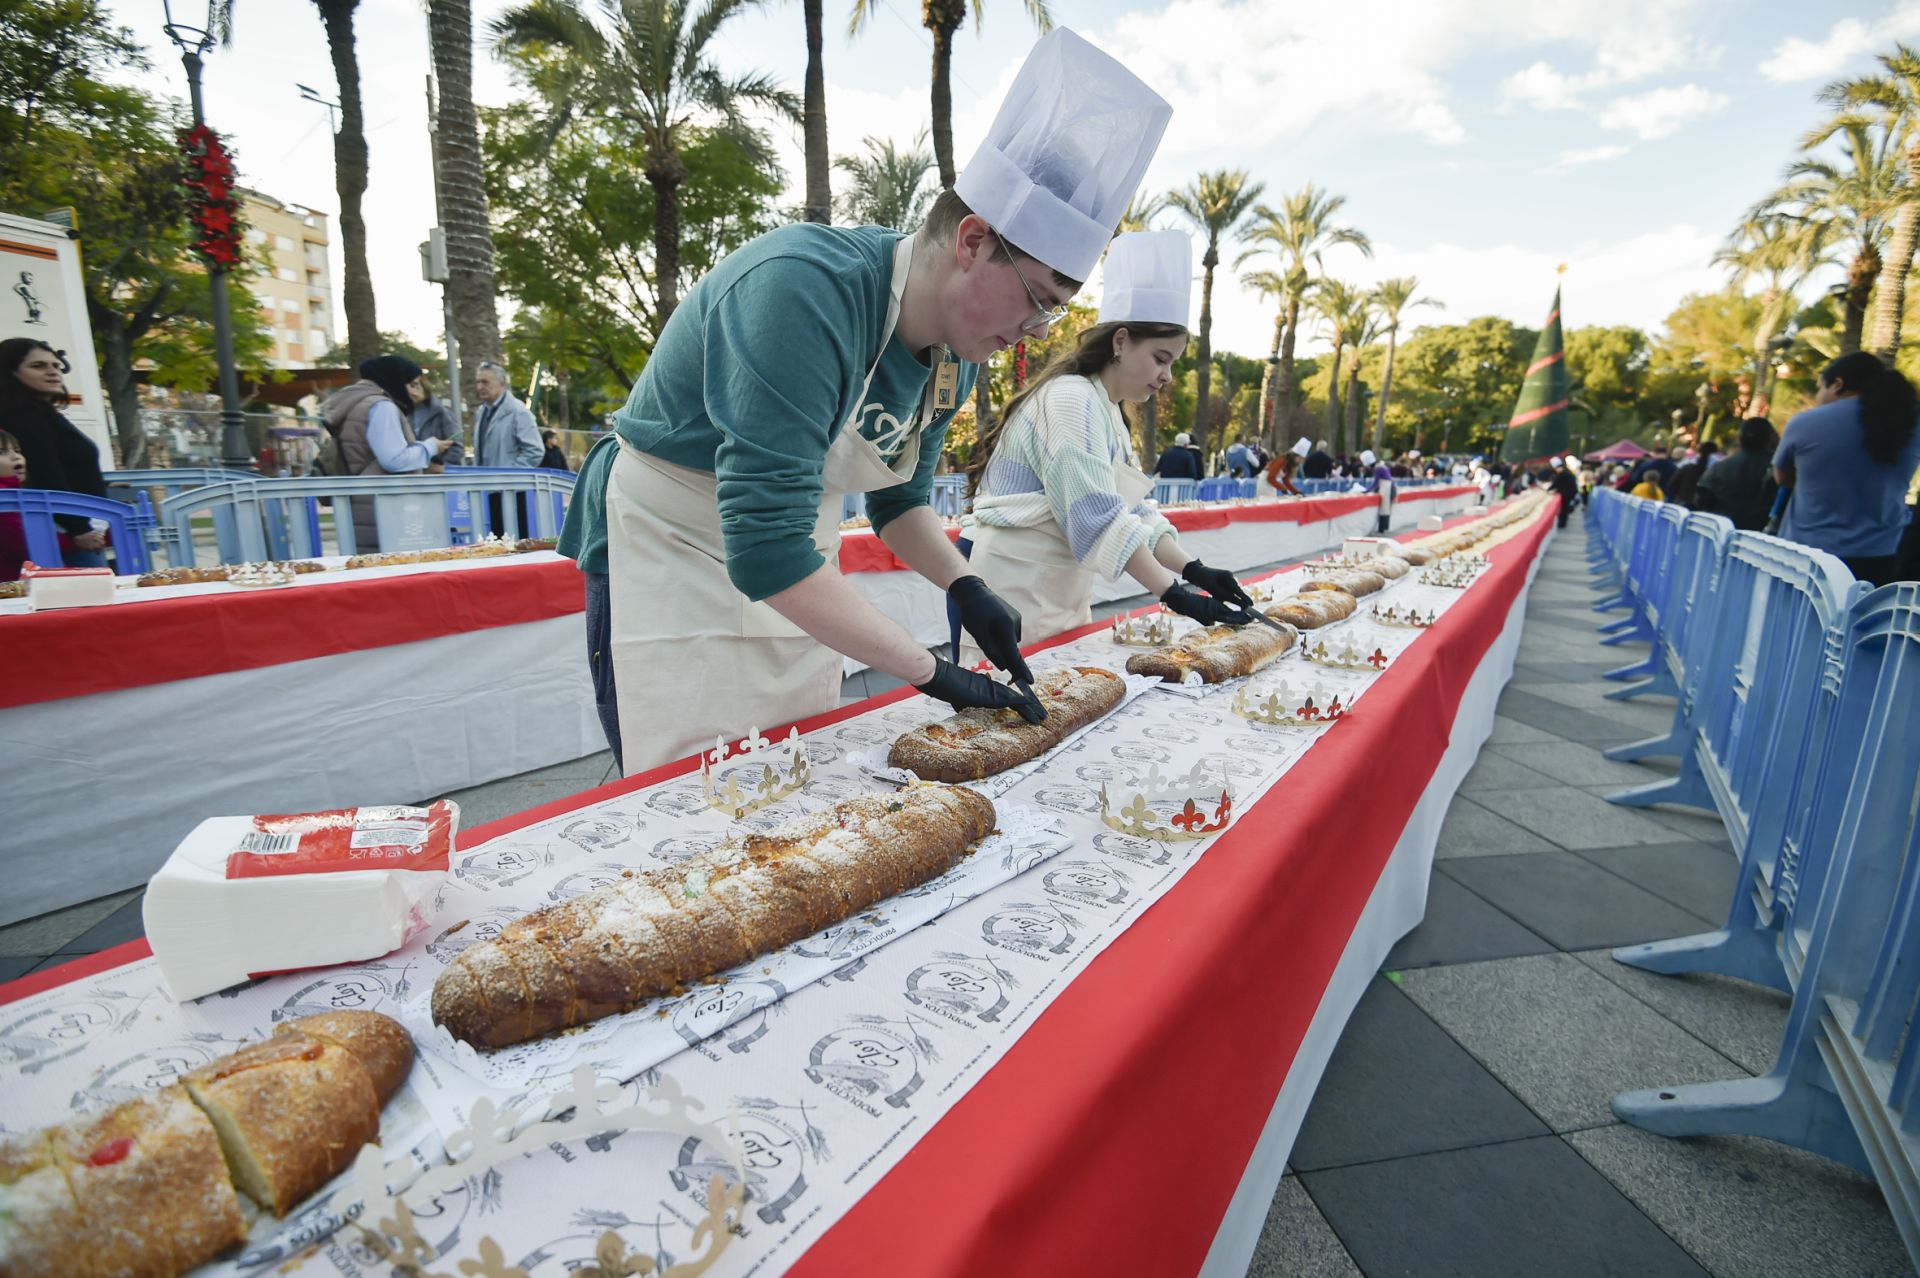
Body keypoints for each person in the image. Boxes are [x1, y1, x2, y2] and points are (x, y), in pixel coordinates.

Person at [556, 28, 1172, 775]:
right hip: (670, 535)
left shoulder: (958, 356)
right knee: (682, 786)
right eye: (1036, 301)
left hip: (793, 553)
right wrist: (933, 671)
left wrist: (965, 582)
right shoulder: (802, 292)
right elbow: (767, 549)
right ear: (973, 241)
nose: (1032, 334)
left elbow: (899, 501)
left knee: (790, 772)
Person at [959, 230, 1255, 663]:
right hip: (1014, 584)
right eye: (1161, 358)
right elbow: (1096, 516)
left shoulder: (1109, 410)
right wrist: (1174, 593)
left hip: (1056, 589)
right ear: (1120, 342)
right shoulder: (1070, 399)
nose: (1168, 376)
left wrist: (1194, 569)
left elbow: (1134, 515)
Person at [1773, 350, 1920, 586]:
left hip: (1808, 555)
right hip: (1881, 555)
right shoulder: (1911, 424)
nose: (1817, 396)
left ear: (1837, 385)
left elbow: (1782, 478)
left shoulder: (1805, 422)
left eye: (1819, 388)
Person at [321, 354, 454, 551]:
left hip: (363, 500)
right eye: (413, 384)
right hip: (381, 507)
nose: (415, 391)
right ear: (396, 380)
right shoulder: (382, 407)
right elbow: (393, 459)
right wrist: (429, 447)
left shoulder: (359, 402)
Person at [0, 337, 109, 566]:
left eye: (55, 365)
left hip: (75, 523)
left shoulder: (43, 413)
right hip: (67, 531)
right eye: (37, 366)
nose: (52, 372)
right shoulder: (22, 415)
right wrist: (78, 529)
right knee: (86, 600)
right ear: (10, 372)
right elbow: (43, 473)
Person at [473, 361, 543, 535]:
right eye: (478, 382)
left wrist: (509, 476)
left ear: (502, 383)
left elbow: (535, 451)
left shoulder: (518, 411)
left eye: (485, 382)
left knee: (515, 543)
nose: (480, 386)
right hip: (488, 490)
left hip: (513, 492)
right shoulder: (482, 412)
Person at [1695, 419, 1777, 531]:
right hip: (1761, 535)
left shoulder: (1719, 468)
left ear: (1740, 438)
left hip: (1723, 532)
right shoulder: (1778, 468)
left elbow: (1701, 499)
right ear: (1770, 438)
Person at [410, 378, 464, 468]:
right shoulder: (403, 413)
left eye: (416, 386)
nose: (413, 391)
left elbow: (456, 446)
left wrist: (443, 466)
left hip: (439, 474)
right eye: (410, 387)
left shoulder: (441, 413)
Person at [1666, 439, 1717, 507]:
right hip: (1704, 508)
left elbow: (1672, 484)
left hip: (1682, 504)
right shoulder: (1715, 469)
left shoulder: (1687, 467)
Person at [1363, 448, 1393, 532]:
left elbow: (1376, 483)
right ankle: (1384, 527)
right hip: (1388, 486)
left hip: (1385, 487)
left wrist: (1367, 490)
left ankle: (1381, 528)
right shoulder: (1382, 466)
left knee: (1384, 508)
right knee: (1386, 508)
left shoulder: (1378, 469)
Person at [1548, 455, 1579, 527]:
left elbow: (1556, 483)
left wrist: (1548, 489)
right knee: (1565, 507)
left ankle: (1562, 523)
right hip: (1569, 492)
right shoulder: (1566, 472)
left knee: (1564, 508)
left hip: (1568, 493)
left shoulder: (1564, 473)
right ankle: (1563, 522)